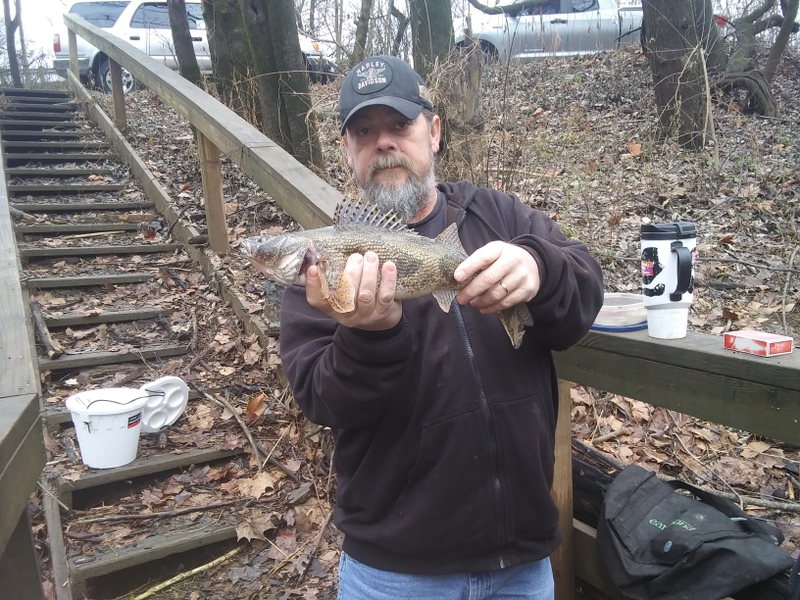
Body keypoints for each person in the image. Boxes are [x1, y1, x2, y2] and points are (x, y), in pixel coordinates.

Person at [279, 55, 604, 600]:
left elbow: (582, 300)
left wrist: (540, 268)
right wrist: (368, 337)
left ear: (433, 132)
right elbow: (321, 400)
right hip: (394, 576)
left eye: (399, 125)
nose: (384, 142)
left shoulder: (499, 216)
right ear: (347, 150)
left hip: (523, 563)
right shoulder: (323, 268)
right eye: (364, 131)